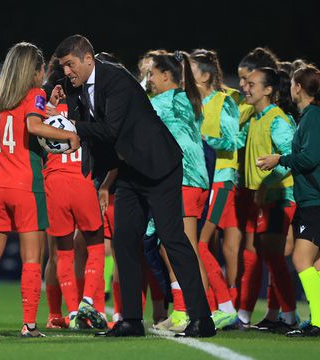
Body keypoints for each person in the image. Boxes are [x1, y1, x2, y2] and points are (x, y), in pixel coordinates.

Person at [54, 34, 214, 337]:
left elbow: (111, 130)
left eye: (70, 65)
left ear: (88, 59)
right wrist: (4, 84)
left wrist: (72, 127)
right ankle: (130, 320)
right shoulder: (76, 84)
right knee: (125, 241)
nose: (66, 72)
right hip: (129, 170)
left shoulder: (116, 79)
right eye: (63, 67)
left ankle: (202, 318)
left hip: (159, 166)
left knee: (173, 238)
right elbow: (50, 87)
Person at [0, 42, 80, 338]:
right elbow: (33, 125)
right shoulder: (35, 94)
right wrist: (70, 136)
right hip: (26, 186)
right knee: (32, 259)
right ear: (37, 70)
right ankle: (29, 324)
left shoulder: (2, 97)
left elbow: (27, 106)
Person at [256, 65, 320, 337]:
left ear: (298, 87)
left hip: (316, 199)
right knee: (317, 264)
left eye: (292, 83)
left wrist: (278, 159)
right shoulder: (314, 114)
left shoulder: (313, 115)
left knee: (302, 261)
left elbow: (309, 159)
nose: (290, 88)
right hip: (317, 198)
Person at [145, 51, 209, 332]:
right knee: (172, 246)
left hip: (183, 179)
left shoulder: (161, 102)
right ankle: (185, 310)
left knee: (184, 248)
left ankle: (197, 312)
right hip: (195, 179)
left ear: (166, 76)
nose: (149, 79)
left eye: (152, 74)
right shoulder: (188, 98)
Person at [238, 67, 298, 333]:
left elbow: (291, 159)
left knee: (273, 257)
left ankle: (289, 317)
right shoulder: (256, 117)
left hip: (278, 196)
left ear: (268, 90)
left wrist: (267, 184)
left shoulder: (277, 119)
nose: (245, 87)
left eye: (251, 84)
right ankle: (258, 315)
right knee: (258, 256)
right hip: (259, 196)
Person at [189, 49, 240, 329]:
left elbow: (232, 140)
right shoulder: (194, 102)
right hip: (204, 179)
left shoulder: (225, 101)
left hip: (221, 179)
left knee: (202, 243)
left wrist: (204, 138)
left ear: (206, 75)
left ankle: (225, 304)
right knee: (199, 243)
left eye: (193, 71)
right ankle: (214, 306)